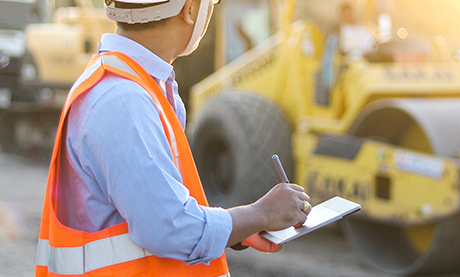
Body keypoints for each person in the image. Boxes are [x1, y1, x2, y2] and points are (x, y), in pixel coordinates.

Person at [34, 0, 311, 275]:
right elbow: (168, 226)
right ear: (189, 10)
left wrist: (237, 226)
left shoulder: (133, 85)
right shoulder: (123, 99)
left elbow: (152, 206)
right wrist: (261, 213)